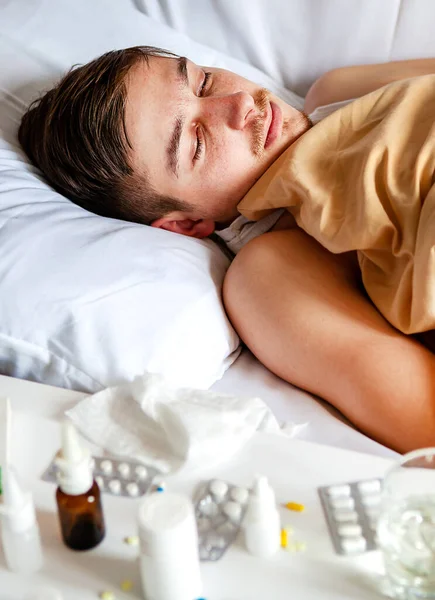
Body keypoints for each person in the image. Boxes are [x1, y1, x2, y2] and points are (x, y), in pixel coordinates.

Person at [18, 46, 435, 453]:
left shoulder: (337, 90)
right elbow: (425, 418)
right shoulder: (271, 274)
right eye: (196, 142)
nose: (238, 105)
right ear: (185, 224)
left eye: (203, 81)